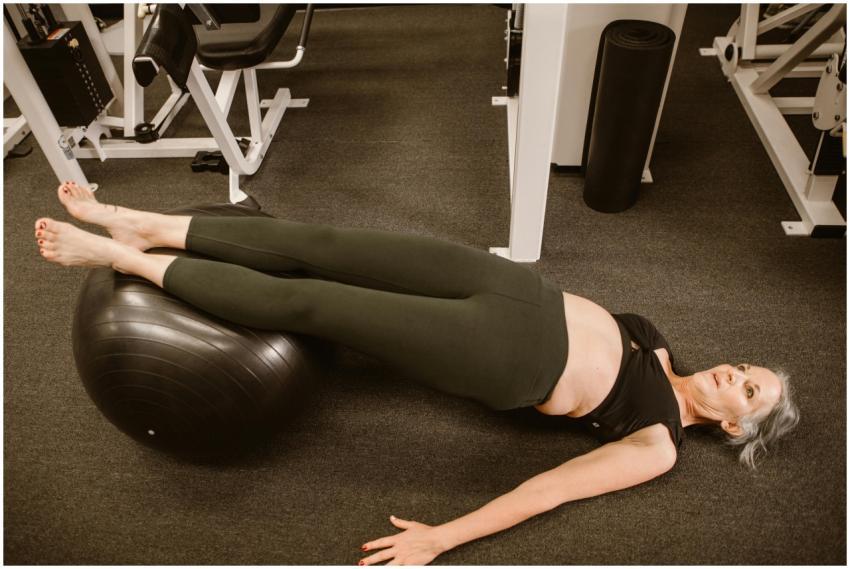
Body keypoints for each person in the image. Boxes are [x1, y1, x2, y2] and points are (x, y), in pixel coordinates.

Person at [36, 182, 799, 566]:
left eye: (749, 389)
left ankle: (122, 257)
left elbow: (553, 488)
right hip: (508, 286)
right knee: (322, 242)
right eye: (745, 366)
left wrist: (443, 538)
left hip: (502, 352)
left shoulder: (659, 441)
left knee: (312, 302)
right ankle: (145, 222)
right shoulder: (660, 348)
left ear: (734, 426)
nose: (735, 374)